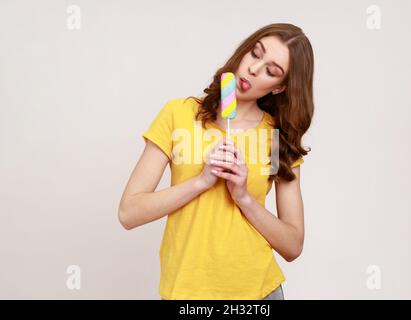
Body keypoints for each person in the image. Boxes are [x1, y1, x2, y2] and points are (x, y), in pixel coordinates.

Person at [118, 23, 314, 300]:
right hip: (187, 292)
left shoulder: (274, 139)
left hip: (257, 292)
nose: (254, 69)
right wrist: (201, 181)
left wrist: (243, 197)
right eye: (255, 54)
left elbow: (292, 245)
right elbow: (129, 213)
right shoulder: (180, 115)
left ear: (280, 87)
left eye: (271, 71)